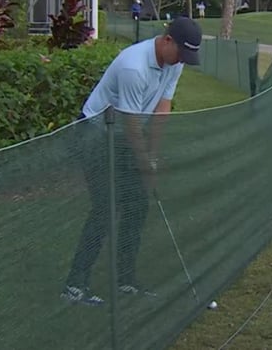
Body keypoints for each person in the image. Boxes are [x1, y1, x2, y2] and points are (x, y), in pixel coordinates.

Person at [61, 17, 203, 306]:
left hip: (123, 132)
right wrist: (145, 165)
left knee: (138, 204)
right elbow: (132, 126)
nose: (181, 61)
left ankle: (125, 279)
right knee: (105, 206)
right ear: (167, 40)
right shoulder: (133, 67)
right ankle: (74, 284)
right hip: (95, 133)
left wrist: (151, 157)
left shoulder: (175, 63)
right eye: (180, 53)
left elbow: (162, 108)